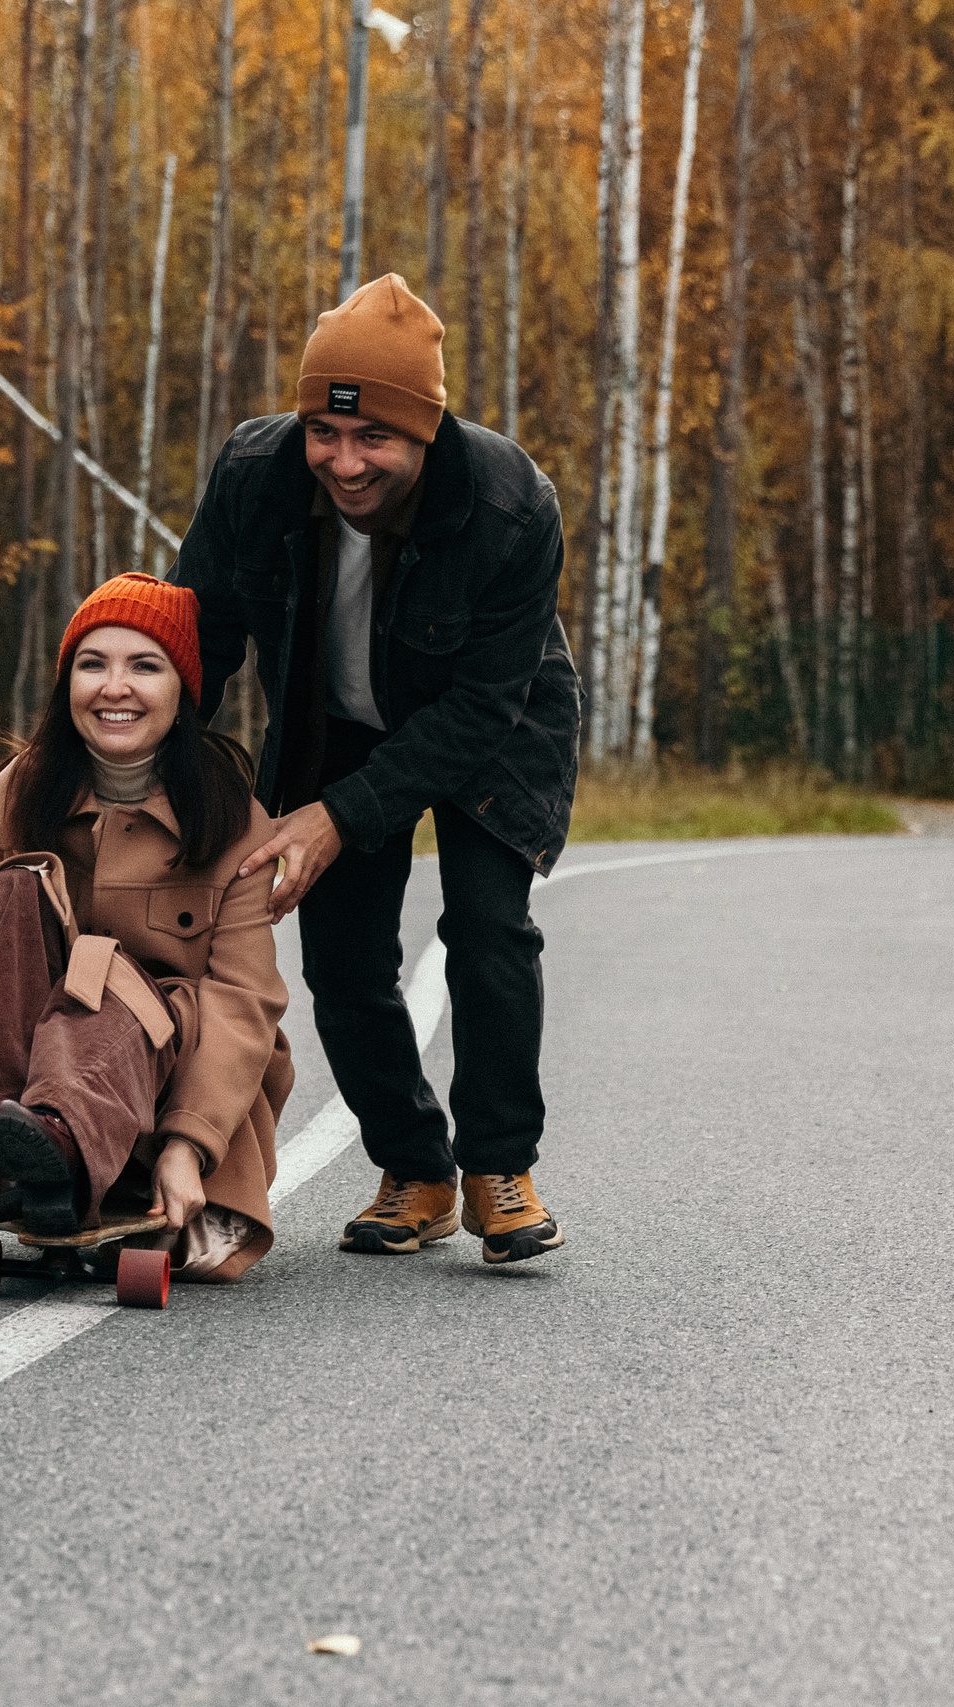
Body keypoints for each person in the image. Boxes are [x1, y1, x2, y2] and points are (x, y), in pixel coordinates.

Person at [169, 273, 580, 1266]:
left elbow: (483, 706)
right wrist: (153, 776)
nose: (344, 462)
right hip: (336, 722)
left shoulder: (509, 505)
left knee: (486, 927)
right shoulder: (252, 474)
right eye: (325, 433)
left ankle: (497, 1166)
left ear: (424, 433)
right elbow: (197, 637)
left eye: (373, 440)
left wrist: (332, 818)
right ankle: (416, 1170)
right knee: (344, 956)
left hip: (494, 722)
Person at [0, 574, 292, 1282]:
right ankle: (24, 1140)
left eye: (144, 666)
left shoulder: (234, 820)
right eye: (93, 664)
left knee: (101, 972)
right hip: (25, 1077)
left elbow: (246, 1001)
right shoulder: (10, 800)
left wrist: (189, 1144)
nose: (115, 686)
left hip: (174, 1081)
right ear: (67, 685)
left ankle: (73, 1149)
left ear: (183, 694)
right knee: (16, 890)